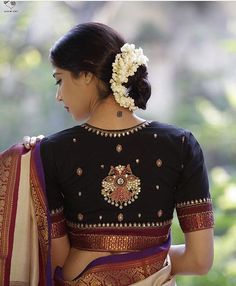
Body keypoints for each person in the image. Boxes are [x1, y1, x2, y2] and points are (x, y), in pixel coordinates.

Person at [20, 21, 214, 285]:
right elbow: (199, 260)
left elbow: (58, 261)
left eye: (60, 80)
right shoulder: (181, 145)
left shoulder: (50, 152)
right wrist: (143, 261)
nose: (58, 96)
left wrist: (27, 161)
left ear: (86, 75)